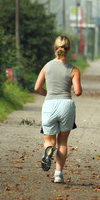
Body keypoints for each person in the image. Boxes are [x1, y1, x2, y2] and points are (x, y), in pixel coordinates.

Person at [34, 36, 82, 183]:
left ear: (55, 48)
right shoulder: (74, 69)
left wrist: (47, 93)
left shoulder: (46, 66)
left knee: (49, 140)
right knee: (63, 142)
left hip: (49, 104)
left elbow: (37, 87)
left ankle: (48, 149)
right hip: (66, 104)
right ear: (68, 50)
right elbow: (78, 91)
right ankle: (58, 174)